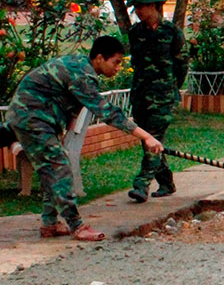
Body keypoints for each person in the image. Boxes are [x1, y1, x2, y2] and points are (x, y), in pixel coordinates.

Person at [6, 36, 164, 241]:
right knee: (59, 169)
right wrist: (146, 137)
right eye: (116, 62)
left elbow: (69, 101)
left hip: (39, 117)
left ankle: (50, 224)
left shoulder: (80, 66)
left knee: (50, 170)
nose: (118, 68)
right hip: (31, 118)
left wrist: (63, 129)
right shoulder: (82, 75)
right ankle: (77, 226)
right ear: (99, 58)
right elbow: (107, 112)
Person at [126, 0, 188, 203]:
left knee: (154, 136)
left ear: (153, 5)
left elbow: (181, 65)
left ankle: (141, 185)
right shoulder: (135, 33)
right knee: (148, 141)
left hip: (162, 97)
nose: (138, 12)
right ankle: (167, 182)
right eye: (136, 8)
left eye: (141, 7)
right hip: (141, 95)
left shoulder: (172, 32)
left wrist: (171, 88)